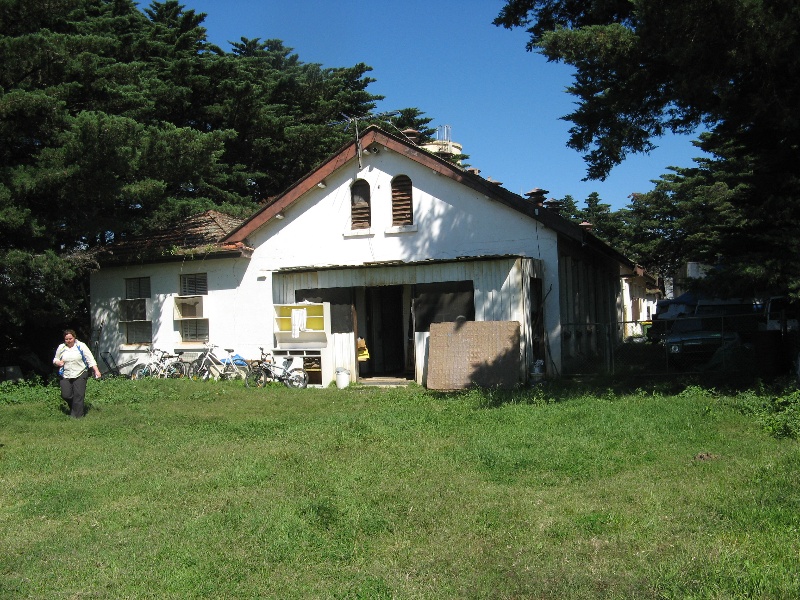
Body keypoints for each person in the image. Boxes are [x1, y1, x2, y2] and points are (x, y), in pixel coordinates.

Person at [53, 329, 101, 418]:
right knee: (66, 395)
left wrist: (96, 370)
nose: (68, 341)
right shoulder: (61, 347)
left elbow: (90, 359)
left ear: (74, 338)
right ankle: (75, 408)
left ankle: (77, 417)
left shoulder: (81, 346)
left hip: (80, 373)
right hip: (66, 374)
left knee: (79, 395)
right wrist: (58, 363)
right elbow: (55, 359)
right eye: (66, 339)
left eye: (70, 338)